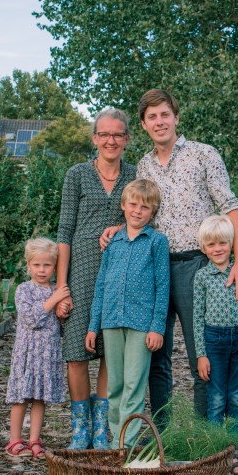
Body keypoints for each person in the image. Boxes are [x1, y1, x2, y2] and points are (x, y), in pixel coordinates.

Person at [100, 88, 238, 420]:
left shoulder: (203, 154)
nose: (159, 121)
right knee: (155, 355)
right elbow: (140, 210)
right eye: (152, 116)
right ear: (143, 124)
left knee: (203, 356)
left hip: (196, 265)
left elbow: (231, 207)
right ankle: (164, 434)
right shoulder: (143, 165)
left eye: (165, 114)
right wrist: (117, 229)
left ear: (176, 117)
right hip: (153, 268)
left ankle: (204, 437)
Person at [56, 109, 136, 449]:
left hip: (120, 274)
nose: (111, 140)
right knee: (76, 351)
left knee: (108, 350)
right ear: (94, 138)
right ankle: (80, 427)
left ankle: (102, 427)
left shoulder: (134, 175)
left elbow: (146, 215)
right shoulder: (77, 175)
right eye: (104, 134)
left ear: (127, 139)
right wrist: (61, 288)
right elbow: (64, 231)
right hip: (80, 274)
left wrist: (120, 227)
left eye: (117, 135)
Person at [86, 179, 170, 448]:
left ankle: (125, 445)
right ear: (123, 206)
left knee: (134, 385)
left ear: (152, 211)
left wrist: (157, 327)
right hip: (111, 321)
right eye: (133, 204)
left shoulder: (156, 241)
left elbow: (163, 285)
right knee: (115, 386)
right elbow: (101, 284)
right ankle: (116, 437)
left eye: (145, 207)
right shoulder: (112, 242)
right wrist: (93, 324)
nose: (137, 211)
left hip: (141, 324)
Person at [193, 215, 238, 465]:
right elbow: (197, 318)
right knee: (217, 398)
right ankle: (215, 454)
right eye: (211, 245)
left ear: (232, 244)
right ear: (204, 248)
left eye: (222, 243)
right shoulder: (202, 277)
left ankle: (232, 453)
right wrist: (201, 354)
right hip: (214, 342)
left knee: (235, 397)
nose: (217, 249)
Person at [5, 238, 69, 460]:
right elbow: (33, 318)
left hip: (47, 354)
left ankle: (34, 439)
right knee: (21, 397)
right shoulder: (25, 290)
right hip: (27, 353)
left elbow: (58, 325)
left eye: (47, 265)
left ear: (55, 266)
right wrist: (55, 300)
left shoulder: (56, 290)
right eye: (37, 265)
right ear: (28, 265)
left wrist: (64, 311)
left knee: (40, 397)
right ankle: (14, 439)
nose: (42, 270)